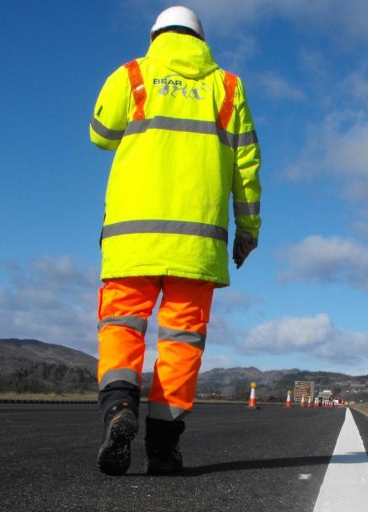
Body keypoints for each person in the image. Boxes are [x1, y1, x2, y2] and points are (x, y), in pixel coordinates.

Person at [89, 5, 261, 475]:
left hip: (132, 240)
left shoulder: (132, 74)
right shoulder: (228, 87)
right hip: (197, 245)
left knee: (122, 328)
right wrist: (248, 230)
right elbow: (247, 168)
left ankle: (119, 408)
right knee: (182, 345)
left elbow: (100, 133)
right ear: (201, 40)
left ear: (155, 36)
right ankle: (163, 449)